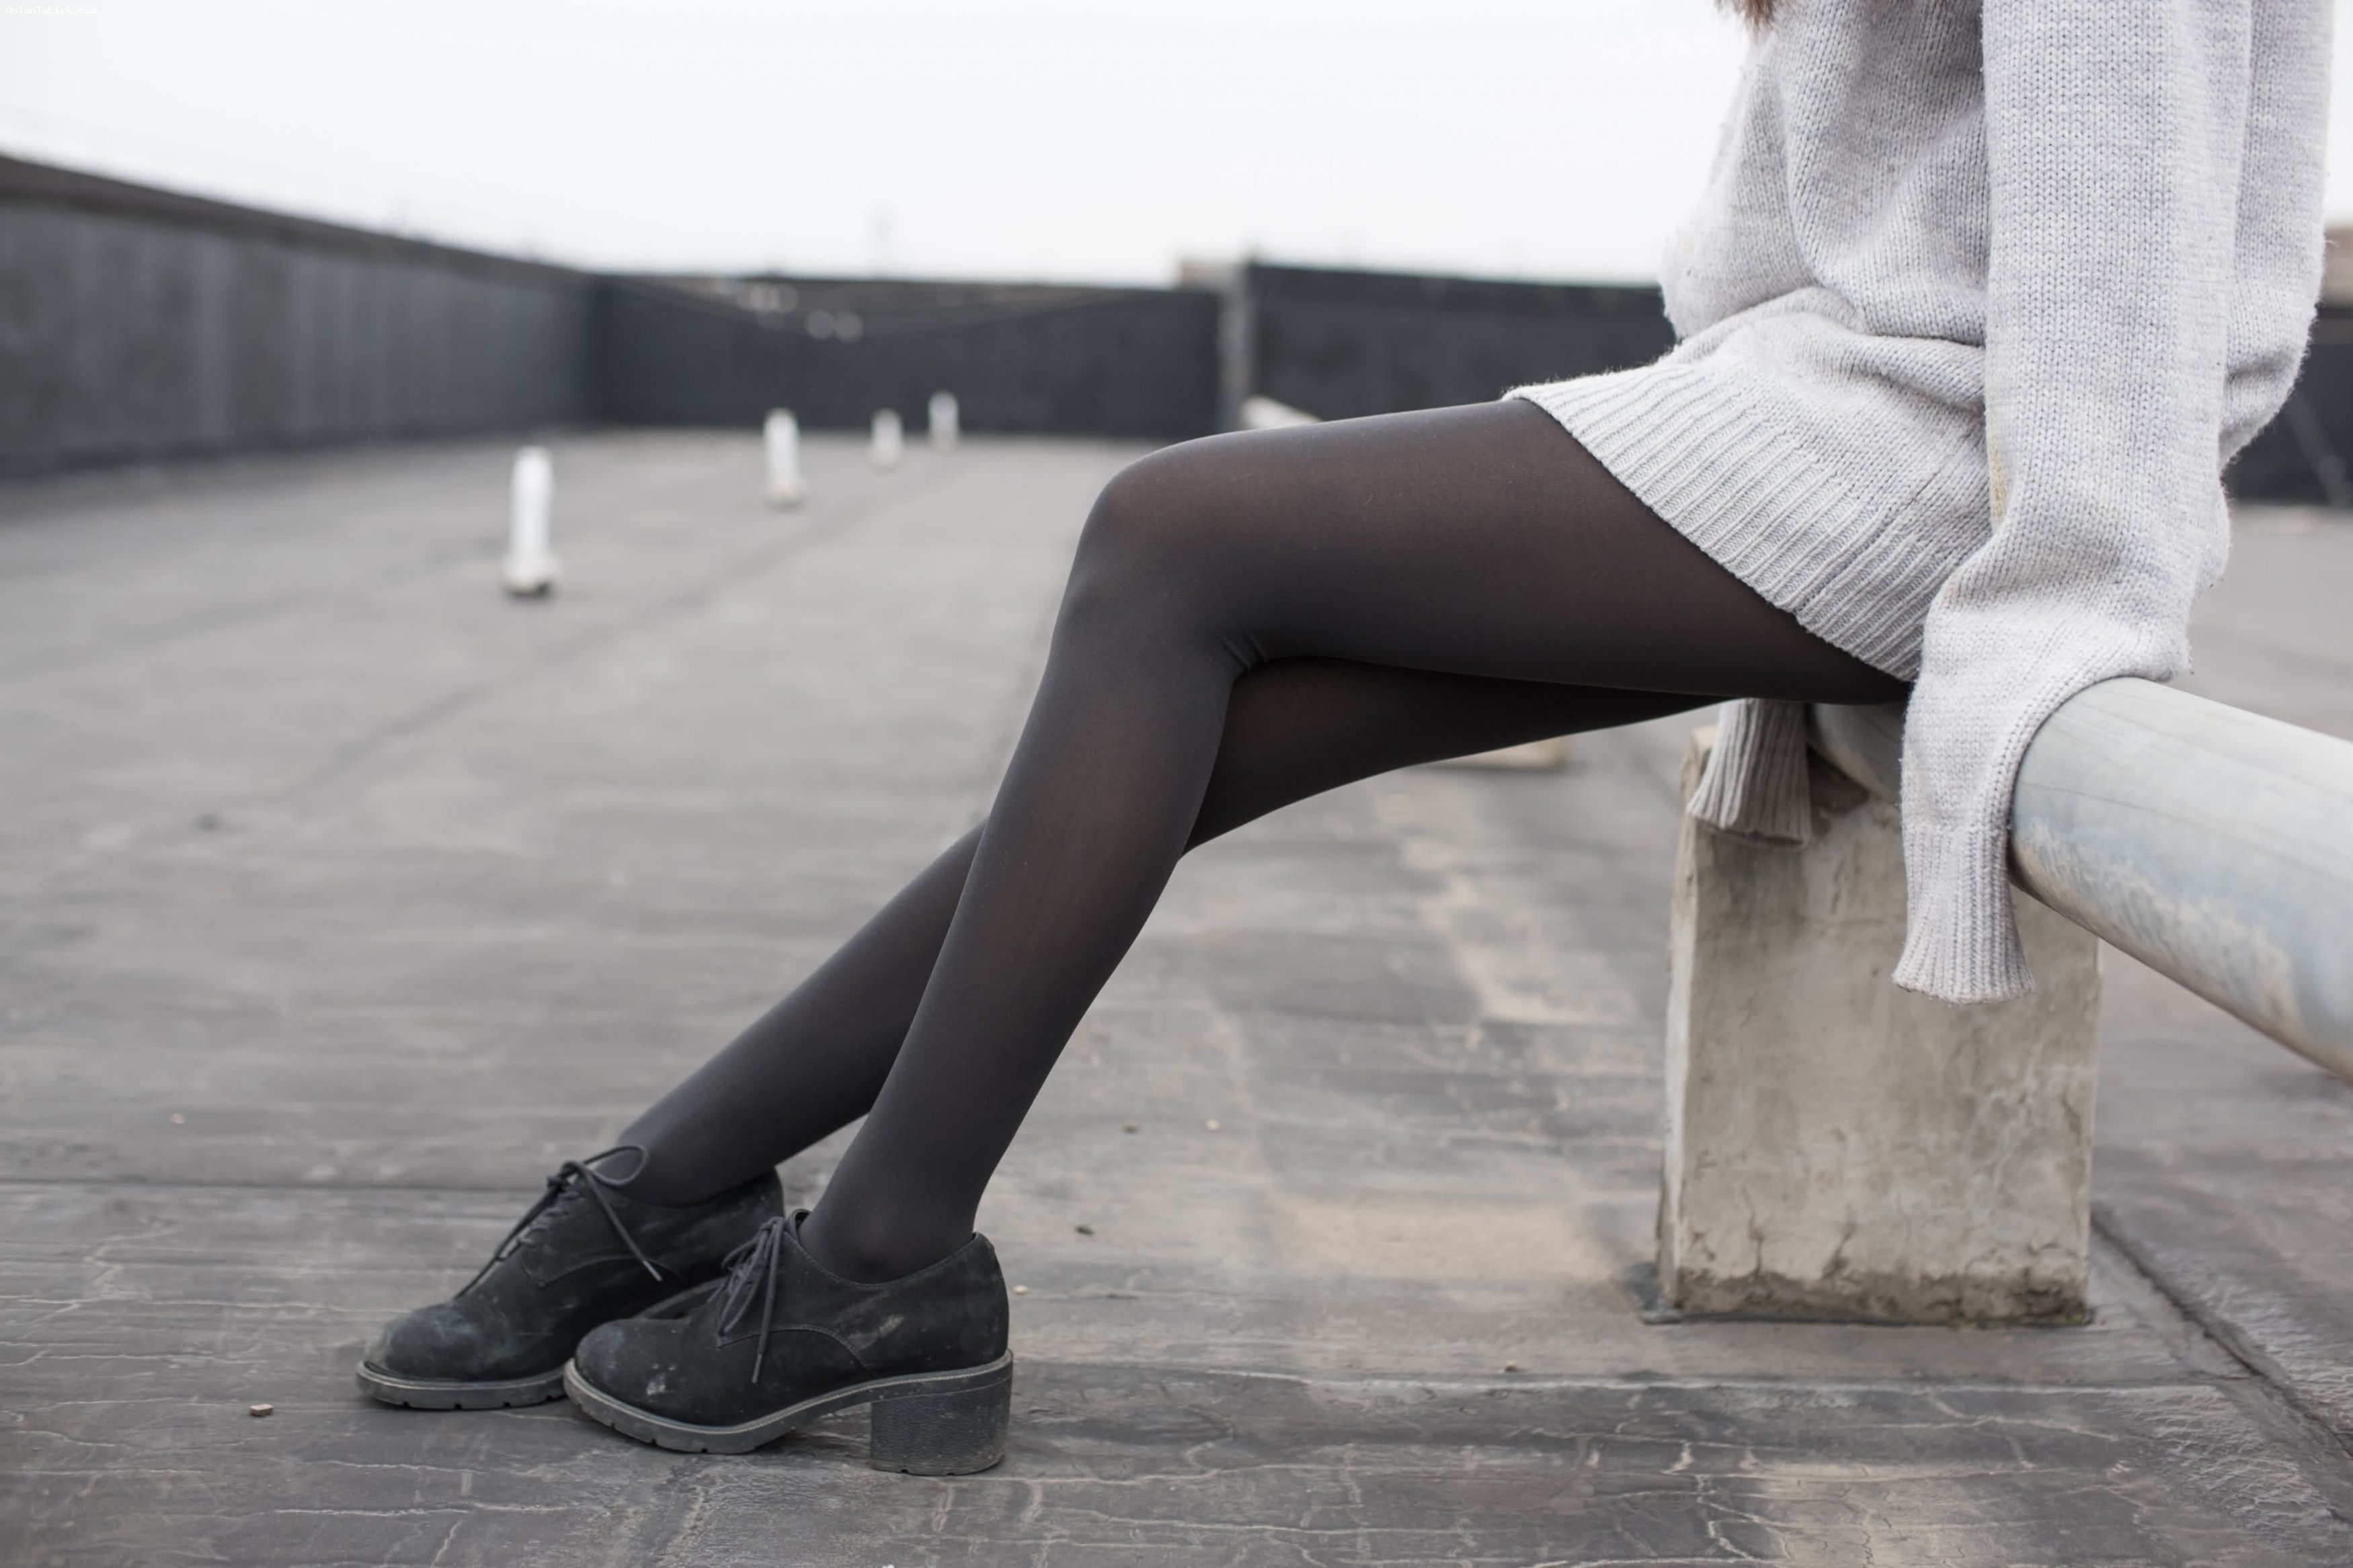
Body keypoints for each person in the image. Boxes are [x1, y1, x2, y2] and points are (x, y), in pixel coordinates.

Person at [356, 0, 2328, 1473]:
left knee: (1170, 536)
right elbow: (1789, 216)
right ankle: (687, 1182)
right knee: (1240, 704)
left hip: (1947, 454)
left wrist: (2067, 590)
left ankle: (875, 1254)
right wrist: (1680, 418)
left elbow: (2126, 242)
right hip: (1804, 403)